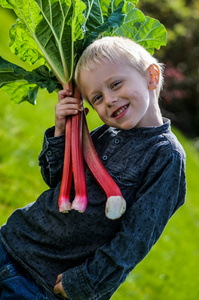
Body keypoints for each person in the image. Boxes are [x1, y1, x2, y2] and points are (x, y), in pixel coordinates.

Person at [0, 36, 186, 300]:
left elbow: (135, 239)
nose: (109, 100)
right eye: (97, 97)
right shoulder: (103, 133)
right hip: (12, 240)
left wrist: (85, 283)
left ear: (152, 77)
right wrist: (61, 132)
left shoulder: (165, 156)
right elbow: (54, 179)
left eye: (116, 84)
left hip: (42, 286)